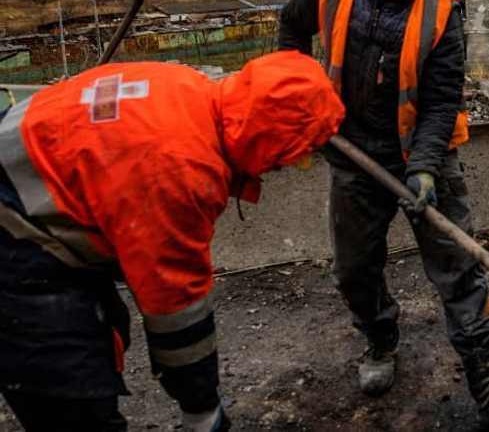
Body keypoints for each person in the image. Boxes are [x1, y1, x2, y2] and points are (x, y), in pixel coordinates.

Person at [277, 0, 489, 422]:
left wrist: (423, 166)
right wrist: (297, 89)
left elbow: (443, 102)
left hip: (424, 155)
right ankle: (379, 339)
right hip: (353, 154)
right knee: (354, 269)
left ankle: (487, 375)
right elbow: (289, 28)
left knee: (458, 267)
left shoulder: (441, 9)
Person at [0, 51, 345, 432]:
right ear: (272, 136)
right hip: (13, 240)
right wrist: (202, 409)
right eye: (296, 153)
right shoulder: (182, 168)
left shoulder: (186, 88)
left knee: (101, 333)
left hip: (26, 205)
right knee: (70, 390)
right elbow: (175, 305)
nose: (288, 165)